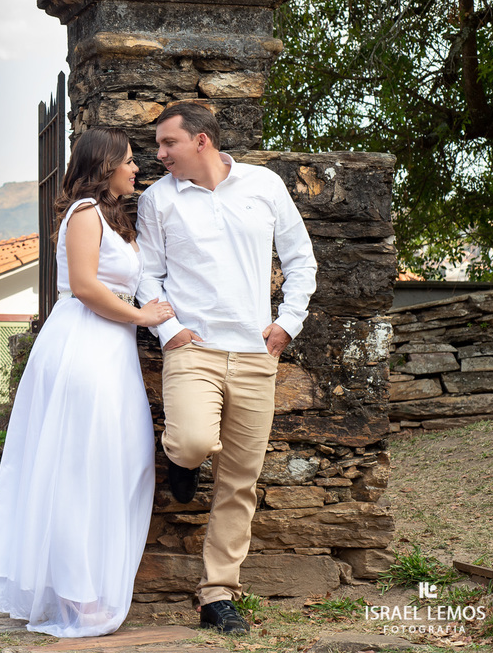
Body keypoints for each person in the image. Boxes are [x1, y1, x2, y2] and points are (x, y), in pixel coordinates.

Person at [0, 127, 174, 637]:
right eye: (127, 161)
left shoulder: (117, 219)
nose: (136, 168)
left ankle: (89, 587)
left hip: (110, 351)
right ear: (104, 167)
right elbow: (82, 287)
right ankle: (76, 599)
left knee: (122, 462)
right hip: (83, 345)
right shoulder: (83, 214)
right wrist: (144, 319)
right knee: (79, 466)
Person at [135, 102, 317, 635]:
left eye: (168, 144)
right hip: (194, 350)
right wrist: (169, 332)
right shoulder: (157, 200)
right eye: (157, 146)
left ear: (202, 141)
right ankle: (183, 459)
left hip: (257, 353)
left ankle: (217, 595)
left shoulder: (263, 185)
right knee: (191, 441)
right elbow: (148, 275)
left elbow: (301, 258)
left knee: (240, 480)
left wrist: (288, 323)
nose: (159, 154)